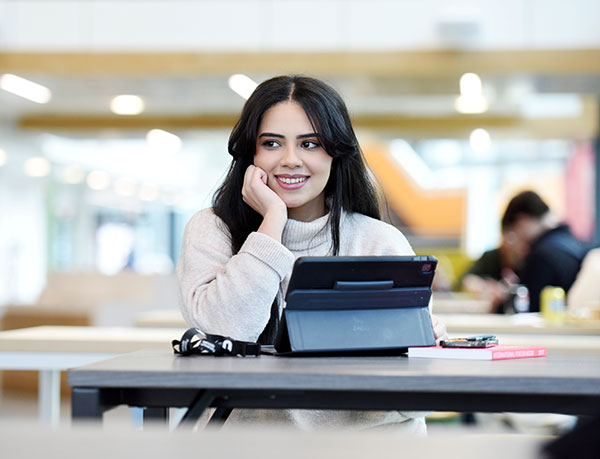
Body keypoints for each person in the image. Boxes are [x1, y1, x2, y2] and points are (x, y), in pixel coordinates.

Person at [177, 75, 447, 432]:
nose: (290, 160)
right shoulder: (213, 230)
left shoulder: (378, 242)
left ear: (335, 153)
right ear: (251, 154)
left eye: (310, 144)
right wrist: (272, 222)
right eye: (272, 143)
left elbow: (415, 367)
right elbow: (227, 329)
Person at [500, 190, 591, 312]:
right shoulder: (573, 243)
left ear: (521, 221)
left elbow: (526, 309)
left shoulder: (541, 255)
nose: (517, 242)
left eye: (513, 235)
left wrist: (503, 300)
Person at [459, 230, 524, 313]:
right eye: (510, 238)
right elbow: (466, 280)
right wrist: (484, 287)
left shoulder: (528, 260)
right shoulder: (490, 257)